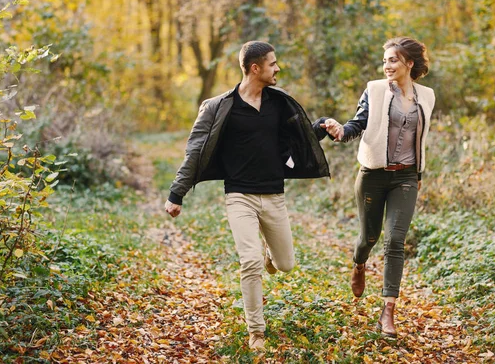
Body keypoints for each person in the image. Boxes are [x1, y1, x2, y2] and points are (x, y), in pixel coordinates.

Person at [164, 41, 330, 351]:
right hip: (239, 195)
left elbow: (300, 137)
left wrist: (321, 126)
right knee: (250, 262)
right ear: (255, 68)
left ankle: (270, 251)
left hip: (274, 196)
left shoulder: (278, 104)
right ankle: (256, 332)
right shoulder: (219, 107)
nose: (277, 68)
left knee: (285, 264)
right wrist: (177, 193)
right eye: (272, 63)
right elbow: (195, 152)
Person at [320, 36, 435, 338]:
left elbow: (421, 138)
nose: (387, 65)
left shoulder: (427, 96)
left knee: (395, 240)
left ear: (409, 63)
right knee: (368, 238)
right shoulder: (375, 90)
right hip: (373, 175)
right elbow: (357, 124)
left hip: (407, 177)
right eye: (384, 60)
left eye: (393, 60)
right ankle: (359, 264)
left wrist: (419, 172)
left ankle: (388, 313)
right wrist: (340, 131)